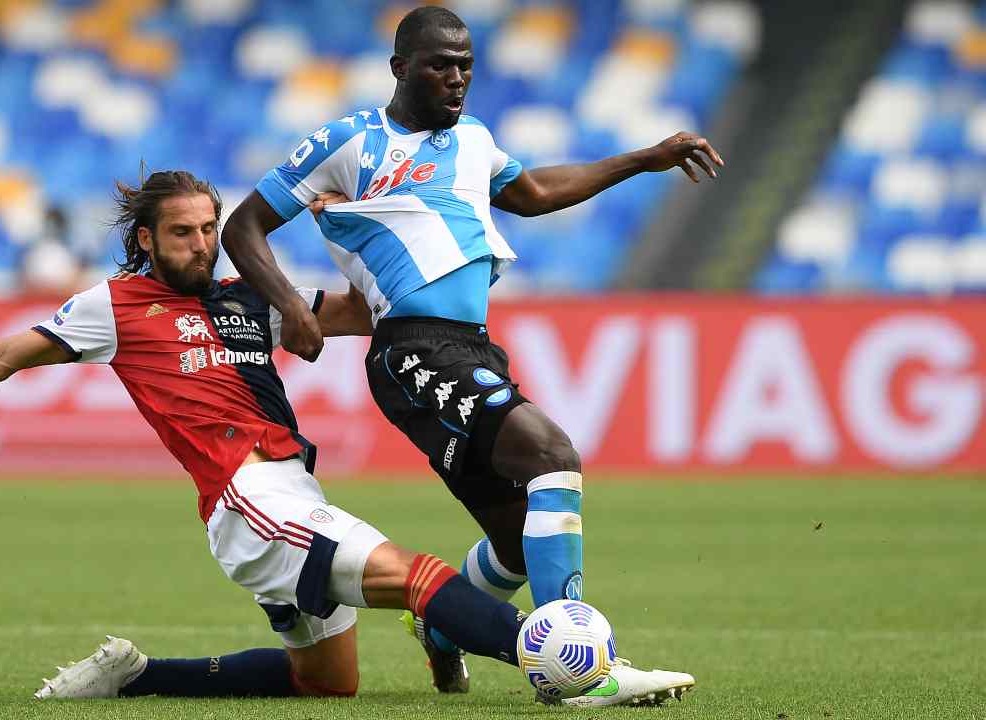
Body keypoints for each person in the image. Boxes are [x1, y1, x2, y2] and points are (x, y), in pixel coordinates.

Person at [0, 170, 535, 701]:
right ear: (147, 239)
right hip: (243, 496)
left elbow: (372, 312)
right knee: (413, 575)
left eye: (210, 230)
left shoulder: (252, 300)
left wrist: (383, 240)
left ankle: (139, 677)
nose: (201, 245)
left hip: (292, 485)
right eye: (183, 233)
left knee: (328, 683)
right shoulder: (116, 306)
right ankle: (562, 659)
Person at [218, 6, 720, 706]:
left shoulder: (476, 140)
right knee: (551, 455)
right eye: (439, 65)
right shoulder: (352, 140)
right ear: (399, 67)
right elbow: (244, 226)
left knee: (517, 544)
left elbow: (536, 193)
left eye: (466, 66)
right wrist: (293, 305)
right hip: (413, 349)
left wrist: (642, 159)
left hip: (471, 348)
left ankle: (443, 630)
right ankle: (584, 669)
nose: (457, 79)